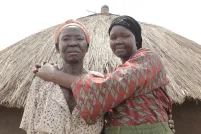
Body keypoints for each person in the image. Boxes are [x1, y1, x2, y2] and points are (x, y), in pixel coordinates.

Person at [34, 16, 175, 134]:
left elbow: (108, 87)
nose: (118, 41)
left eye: (125, 36)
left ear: (136, 40)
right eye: (113, 37)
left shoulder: (148, 59)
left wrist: (53, 75)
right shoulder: (113, 73)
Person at [20, 19, 103, 134]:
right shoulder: (41, 82)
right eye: (66, 39)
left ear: (87, 47)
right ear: (57, 47)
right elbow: (29, 126)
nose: (73, 43)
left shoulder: (98, 81)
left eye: (79, 38)